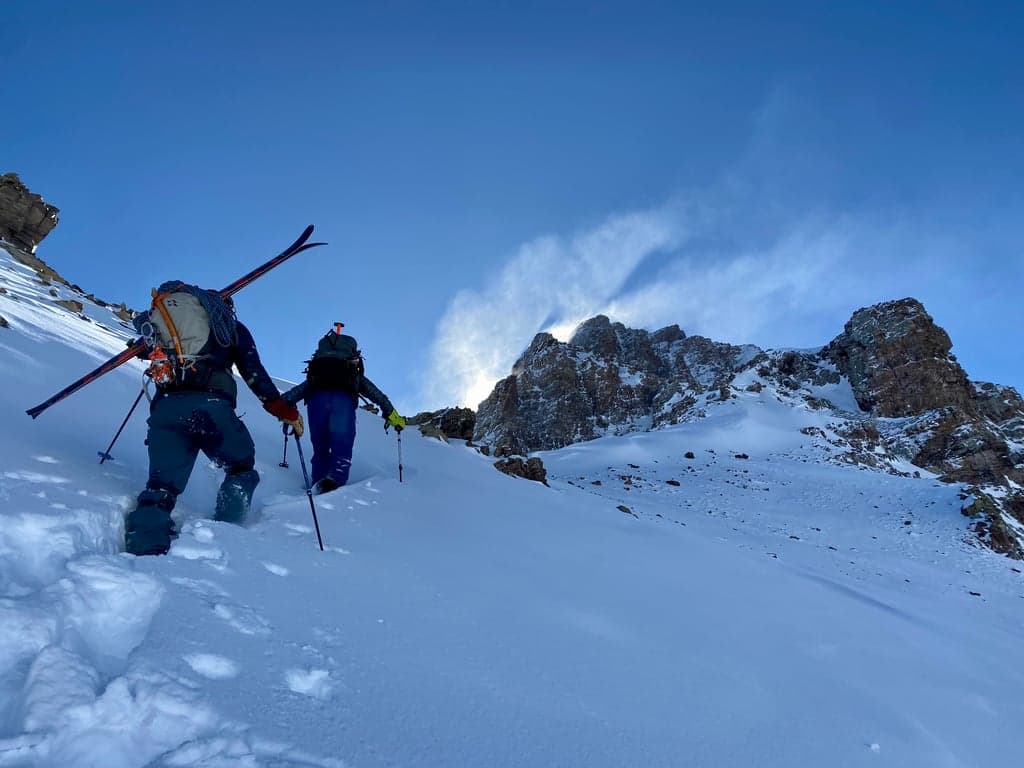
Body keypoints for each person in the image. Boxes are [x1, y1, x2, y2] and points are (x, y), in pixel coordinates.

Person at [124, 281, 304, 556]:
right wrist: (284, 410)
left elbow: (144, 349)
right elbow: (253, 372)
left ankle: (143, 550)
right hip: (210, 407)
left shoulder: (165, 327)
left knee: (160, 486)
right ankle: (225, 533)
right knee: (240, 467)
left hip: (167, 408)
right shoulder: (229, 327)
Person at [283, 324, 405, 494]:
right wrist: (394, 416)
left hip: (316, 403)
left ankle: (317, 483)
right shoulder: (352, 372)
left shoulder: (317, 373)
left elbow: (296, 392)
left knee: (320, 448)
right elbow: (376, 395)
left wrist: (283, 407)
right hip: (343, 402)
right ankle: (334, 483)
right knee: (341, 446)